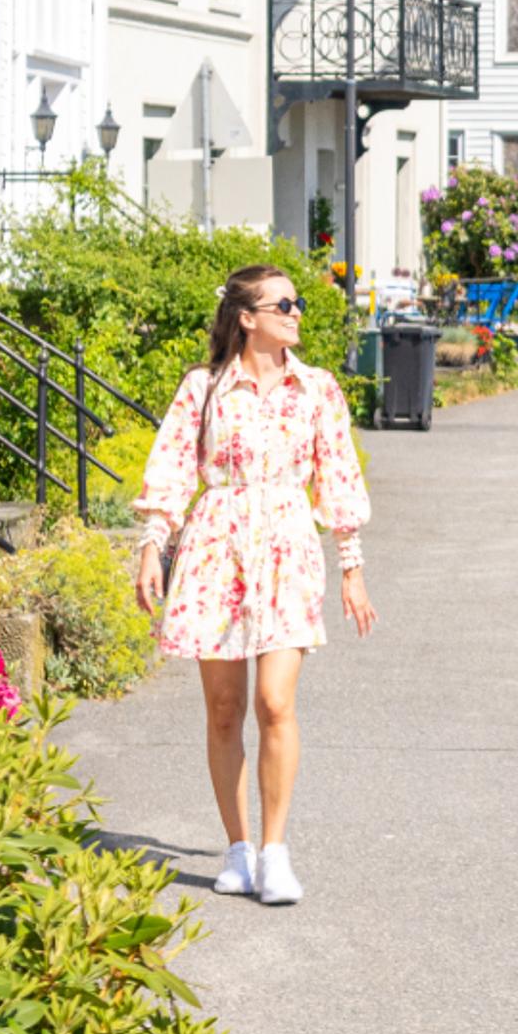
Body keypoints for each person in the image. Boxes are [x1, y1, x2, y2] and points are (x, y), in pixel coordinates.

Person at [130, 265, 376, 905]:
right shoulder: (204, 388)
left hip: (288, 548)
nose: (297, 313)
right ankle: (237, 848)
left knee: (274, 702)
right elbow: (173, 468)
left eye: (298, 304)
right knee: (223, 709)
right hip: (216, 548)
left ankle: (275, 852)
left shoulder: (317, 389)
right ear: (247, 317)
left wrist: (352, 567)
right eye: (284, 304)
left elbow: (339, 477)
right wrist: (151, 547)